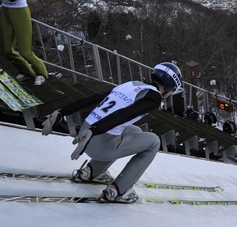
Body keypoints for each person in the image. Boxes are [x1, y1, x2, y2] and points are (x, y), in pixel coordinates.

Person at [41, 62, 183, 203]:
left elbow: (95, 97)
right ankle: (119, 190)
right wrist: (95, 130)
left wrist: (62, 111)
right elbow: (126, 113)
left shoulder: (133, 84)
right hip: (97, 140)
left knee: (135, 130)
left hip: (85, 136)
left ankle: (92, 172)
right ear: (170, 86)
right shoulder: (155, 97)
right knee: (153, 142)